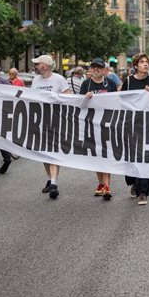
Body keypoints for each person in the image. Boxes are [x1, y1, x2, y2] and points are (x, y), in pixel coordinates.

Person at [121, 53, 149, 205]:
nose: (145, 64)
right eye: (142, 62)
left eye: (146, 62)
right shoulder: (129, 81)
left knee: (145, 156)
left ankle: (143, 191)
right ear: (136, 65)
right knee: (132, 157)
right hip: (132, 124)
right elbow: (121, 100)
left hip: (148, 125)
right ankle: (133, 182)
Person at [30, 54, 71, 199]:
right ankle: (49, 178)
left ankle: (54, 183)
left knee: (53, 151)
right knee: (44, 152)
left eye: (37, 64)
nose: (35, 66)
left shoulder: (58, 79)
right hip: (40, 120)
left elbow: (69, 97)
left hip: (55, 120)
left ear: (45, 66)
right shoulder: (35, 80)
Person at [81, 58, 118, 200]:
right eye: (94, 67)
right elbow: (80, 105)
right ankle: (101, 183)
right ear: (90, 69)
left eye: (99, 67)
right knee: (96, 155)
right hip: (91, 124)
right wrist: (85, 98)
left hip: (107, 124)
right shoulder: (86, 84)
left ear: (104, 70)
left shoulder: (111, 84)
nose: (96, 69)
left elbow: (117, 102)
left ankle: (107, 185)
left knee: (106, 154)